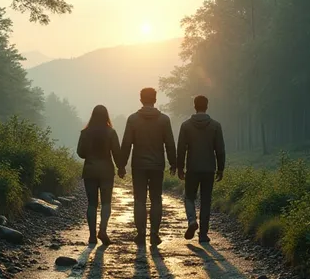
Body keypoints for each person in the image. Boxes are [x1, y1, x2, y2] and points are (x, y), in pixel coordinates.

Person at [120, 87, 177, 246]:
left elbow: (126, 144)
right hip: (157, 165)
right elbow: (170, 144)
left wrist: (121, 165)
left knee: (139, 200)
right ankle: (154, 234)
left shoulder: (133, 119)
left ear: (141, 100)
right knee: (156, 199)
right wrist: (174, 163)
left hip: (138, 165)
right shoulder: (164, 120)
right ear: (155, 99)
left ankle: (141, 234)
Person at [177, 95, 225, 243]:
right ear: (207, 106)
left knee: (189, 197)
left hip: (192, 168)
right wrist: (220, 168)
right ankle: (203, 234)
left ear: (194, 106)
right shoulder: (215, 126)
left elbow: (181, 149)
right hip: (209, 168)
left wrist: (180, 167)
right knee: (206, 201)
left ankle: (192, 220)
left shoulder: (186, 126)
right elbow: (220, 149)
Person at [77, 105, 122, 246]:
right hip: (106, 171)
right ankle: (102, 230)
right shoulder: (111, 132)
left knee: (91, 203)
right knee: (106, 202)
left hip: (90, 170)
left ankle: (91, 236)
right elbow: (117, 152)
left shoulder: (85, 132)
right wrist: (121, 167)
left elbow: (80, 153)